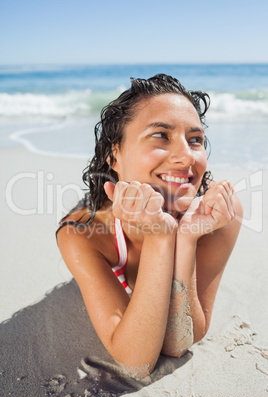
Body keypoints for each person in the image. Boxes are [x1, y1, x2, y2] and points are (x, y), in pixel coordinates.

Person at [56, 74, 242, 378]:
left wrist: (186, 238)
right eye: (160, 135)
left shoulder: (220, 214)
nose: (186, 157)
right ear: (114, 155)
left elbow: (179, 343)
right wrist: (159, 236)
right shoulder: (84, 233)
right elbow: (135, 361)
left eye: (195, 140)